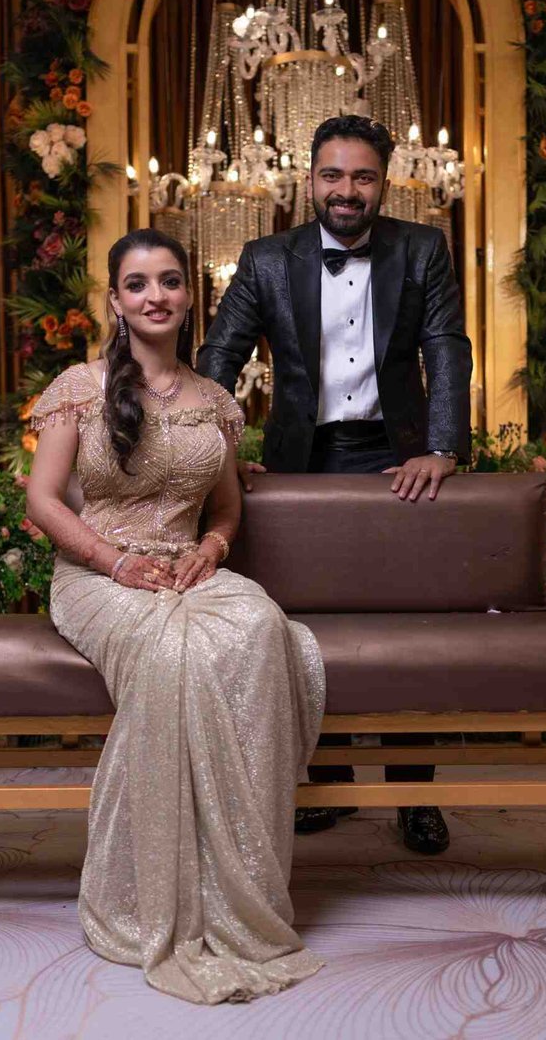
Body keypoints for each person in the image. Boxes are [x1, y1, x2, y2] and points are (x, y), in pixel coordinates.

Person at [24, 228, 326, 1004]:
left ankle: (239, 880)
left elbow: (225, 509)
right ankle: (158, 891)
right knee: (173, 656)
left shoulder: (217, 403)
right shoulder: (80, 388)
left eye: (168, 280)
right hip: (99, 576)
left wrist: (214, 548)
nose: (154, 295)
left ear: (191, 297)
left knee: (264, 629)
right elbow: (42, 502)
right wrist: (114, 561)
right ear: (116, 301)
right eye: (137, 284)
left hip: (187, 572)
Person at [197, 114, 473, 856]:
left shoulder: (422, 249)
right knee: (302, 628)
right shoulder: (265, 259)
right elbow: (218, 358)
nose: (346, 190)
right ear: (309, 179)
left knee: (407, 632)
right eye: (332, 175)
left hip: (398, 460)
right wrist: (214, 454)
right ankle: (331, 783)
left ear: (383, 182)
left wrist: (443, 446)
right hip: (299, 462)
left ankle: (413, 794)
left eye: (362, 176)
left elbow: (446, 346)